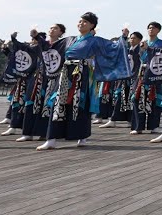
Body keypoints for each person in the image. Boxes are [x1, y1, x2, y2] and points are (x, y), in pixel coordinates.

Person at [36, 12, 131, 151]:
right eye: (80, 21)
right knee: (59, 103)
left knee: (81, 103)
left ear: (92, 25)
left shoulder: (95, 40)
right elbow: (52, 49)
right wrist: (38, 38)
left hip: (83, 74)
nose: (81, 24)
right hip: (66, 74)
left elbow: (114, 48)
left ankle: (82, 136)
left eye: (85, 22)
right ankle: (51, 139)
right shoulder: (70, 40)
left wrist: (123, 37)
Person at [130, 22, 162, 134]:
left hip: (156, 73)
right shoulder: (142, 43)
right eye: (149, 28)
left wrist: (150, 49)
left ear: (158, 30)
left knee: (155, 99)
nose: (151, 30)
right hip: (142, 72)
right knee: (137, 97)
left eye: (153, 28)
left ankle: (154, 126)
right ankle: (138, 126)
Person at [97, 31, 141, 129]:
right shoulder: (128, 50)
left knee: (131, 100)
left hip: (134, 78)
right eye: (131, 38)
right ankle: (113, 119)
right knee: (120, 98)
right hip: (125, 78)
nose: (132, 40)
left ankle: (130, 120)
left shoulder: (140, 50)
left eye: (134, 38)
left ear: (139, 40)